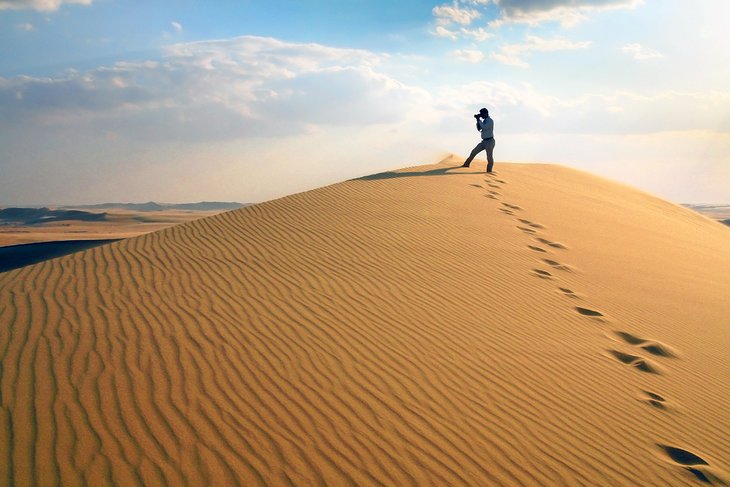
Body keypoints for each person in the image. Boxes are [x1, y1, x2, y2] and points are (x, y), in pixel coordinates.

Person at [462, 107, 495, 173]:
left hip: (489, 141)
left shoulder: (490, 120)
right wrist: (478, 120)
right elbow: (479, 128)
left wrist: (478, 119)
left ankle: (489, 171)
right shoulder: (484, 120)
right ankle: (466, 164)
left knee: (489, 157)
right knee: (474, 151)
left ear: (486, 113)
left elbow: (484, 127)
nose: (481, 115)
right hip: (484, 141)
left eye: (482, 114)